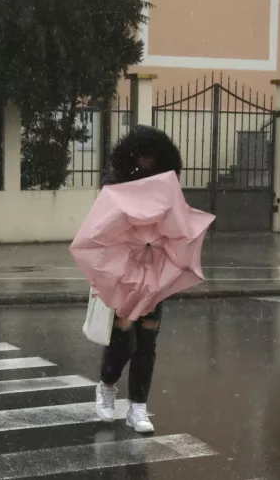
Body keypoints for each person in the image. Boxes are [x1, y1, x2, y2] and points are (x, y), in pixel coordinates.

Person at [94, 125, 183, 434]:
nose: (146, 161)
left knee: (147, 338)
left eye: (151, 155)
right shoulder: (117, 177)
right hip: (123, 264)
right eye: (142, 155)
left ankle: (138, 406)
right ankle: (106, 385)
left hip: (155, 263)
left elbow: (175, 219)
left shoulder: (167, 180)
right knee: (123, 334)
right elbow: (105, 216)